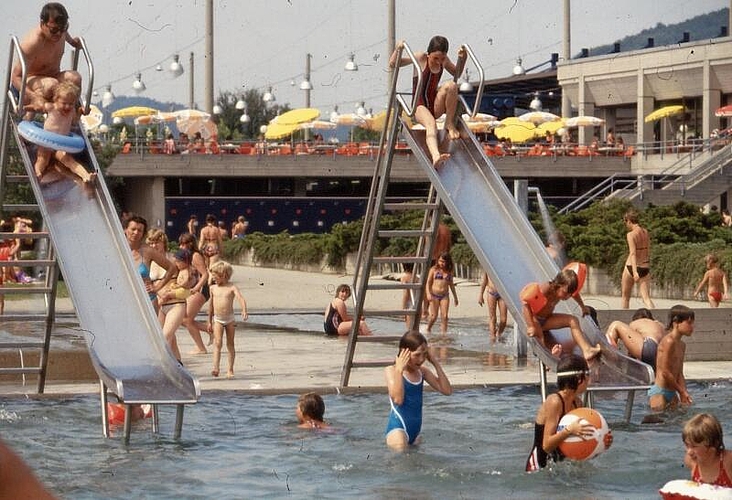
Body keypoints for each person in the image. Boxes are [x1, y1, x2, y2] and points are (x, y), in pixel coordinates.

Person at [525, 354, 613, 471]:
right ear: (578, 378)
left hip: (560, 465)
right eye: (587, 374)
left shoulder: (578, 403)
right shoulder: (554, 401)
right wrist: (569, 430)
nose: (589, 379)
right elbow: (546, 446)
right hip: (539, 466)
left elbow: (581, 443)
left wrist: (601, 440)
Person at [389, 36, 466, 168]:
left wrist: (463, 58)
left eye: (441, 59)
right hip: (419, 106)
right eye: (435, 58)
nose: (438, 62)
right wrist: (398, 48)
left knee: (451, 85)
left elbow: (456, 73)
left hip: (434, 105)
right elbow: (393, 64)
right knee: (431, 124)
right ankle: (436, 156)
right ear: (428, 53)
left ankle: (449, 123)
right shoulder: (420, 58)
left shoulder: (444, 61)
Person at [384, 331, 452, 450]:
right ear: (404, 352)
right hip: (398, 431)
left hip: (415, 434)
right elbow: (398, 399)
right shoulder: (391, 371)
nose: (421, 359)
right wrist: (399, 370)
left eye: (425, 355)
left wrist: (435, 363)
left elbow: (447, 391)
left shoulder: (422, 372)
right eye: (417, 355)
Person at [12, 3, 82, 115]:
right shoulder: (32, 43)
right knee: (51, 84)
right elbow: (15, 77)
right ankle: (27, 119)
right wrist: (33, 96)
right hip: (31, 81)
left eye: (63, 28)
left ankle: (73, 118)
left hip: (53, 76)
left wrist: (74, 42)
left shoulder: (61, 32)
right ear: (42, 24)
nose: (58, 34)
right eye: (54, 30)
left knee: (74, 78)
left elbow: (67, 36)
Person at [520, 269, 601, 361]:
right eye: (565, 293)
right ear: (558, 285)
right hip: (535, 320)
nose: (567, 297)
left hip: (547, 320)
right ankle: (546, 360)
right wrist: (531, 325)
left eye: (569, 295)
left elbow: (575, 294)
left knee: (573, 320)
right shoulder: (545, 289)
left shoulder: (564, 291)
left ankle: (587, 350)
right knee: (540, 338)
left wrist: (583, 307)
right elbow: (526, 304)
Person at [32, 82, 95, 185]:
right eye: (64, 103)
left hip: (61, 144)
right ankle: (38, 172)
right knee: (43, 158)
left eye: (71, 104)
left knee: (68, 160)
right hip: (46, 141)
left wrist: (80, 112)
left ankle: (86, 175)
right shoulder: (51, 107)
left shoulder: (72, 112)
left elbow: (74, 121)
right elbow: (35, 107)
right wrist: (23, 108)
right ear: (56, 100)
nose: (67, 107)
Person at [648, 304, 695, 411]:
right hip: (660, 392)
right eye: (689, 323)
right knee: (659, 423)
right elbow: (665, 372)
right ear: (676, 322)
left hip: (673, 392)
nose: (692, 327)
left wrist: (684, 393)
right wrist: (681, 391)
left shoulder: (682, 345)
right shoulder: (668, 341)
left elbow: (679, 373)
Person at [207, 260, 248, 379]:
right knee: (217, 343)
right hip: (218, 319)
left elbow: (240, 298)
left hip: (230, 319)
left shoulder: (232, 287)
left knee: (230, 344)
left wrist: (244, 310)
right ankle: (216, 368)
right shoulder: (213, 288)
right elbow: (211, 306)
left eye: (215, 276)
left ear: (224, 275)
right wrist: (209, 320)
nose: (213, 278)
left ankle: (230, 369)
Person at [124, 215, 175, 308]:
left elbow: (171, 268)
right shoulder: (117, 249)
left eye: (139, 230)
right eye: (133, 229)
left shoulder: (148, 251)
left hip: (147, 300)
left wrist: (157, 287)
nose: (136, 232)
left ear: (143, 234)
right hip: (124, 299)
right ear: (125, 230)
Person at [157, 248, 196, 362]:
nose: (177, 264)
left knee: (166, 336)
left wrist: (181, 285)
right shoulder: (147, 259)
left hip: (176, 303)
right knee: (169, 338)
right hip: (162, 306)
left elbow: (192, 279)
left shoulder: (181, 268)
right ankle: (178, 363)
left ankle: (165, 363)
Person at [178, 232, 211, 354]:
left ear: (190, 244)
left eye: (183, 244)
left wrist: (197, 288)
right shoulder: (186, 255)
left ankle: (200, 348)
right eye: (180, 244)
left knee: (186, 319)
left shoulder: (195, 255)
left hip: (201, 288)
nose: (181, 247)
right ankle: (209, 330)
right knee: (184, 319)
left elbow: (205, 274)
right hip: (193, 288)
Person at [682, 413, 732, 487]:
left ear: (712, 447)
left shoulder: (728, 462)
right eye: (687, 445)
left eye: (694, 446)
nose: (689, 452)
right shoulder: (690, 461)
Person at [621, 209, 655, 309]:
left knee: (625, 297)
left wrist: (635, 272)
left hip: (632, 266)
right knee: (646, 298)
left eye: (625, 222)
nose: (626, 225)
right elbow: (648, 249)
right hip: (644, 265)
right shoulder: (645, 232)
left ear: (629, 221)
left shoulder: (631, 235)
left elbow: (633, 253)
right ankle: (654, 319)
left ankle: (624, 318)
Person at [425, 252, 459, 335]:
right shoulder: (433, 269)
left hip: (445, 296)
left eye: (443, 262)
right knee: (434, 316)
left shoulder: (449, 271)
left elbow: (451, 284)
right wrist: (428, 294)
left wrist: (455, 297)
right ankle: (428, 329)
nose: (441, 263)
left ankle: (444, 333)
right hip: (434, 295)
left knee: (444, 316)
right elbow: (428, 283)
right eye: (440, 261)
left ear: (447, 262)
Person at [478, 272, 507, 341]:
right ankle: (492, 338)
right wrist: (481, 295)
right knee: (492, 318)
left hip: (502, 294)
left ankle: (498, 334)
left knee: (504, 320)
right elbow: (484, 281)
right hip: (491, 292)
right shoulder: (489, 265)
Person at [400, 262, 415, 330]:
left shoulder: (405, 277)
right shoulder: (417, 277)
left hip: (409, 304)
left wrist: (403, 309)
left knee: (409, 328)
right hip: (417, 303)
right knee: (415, 327)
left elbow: (406, 295)